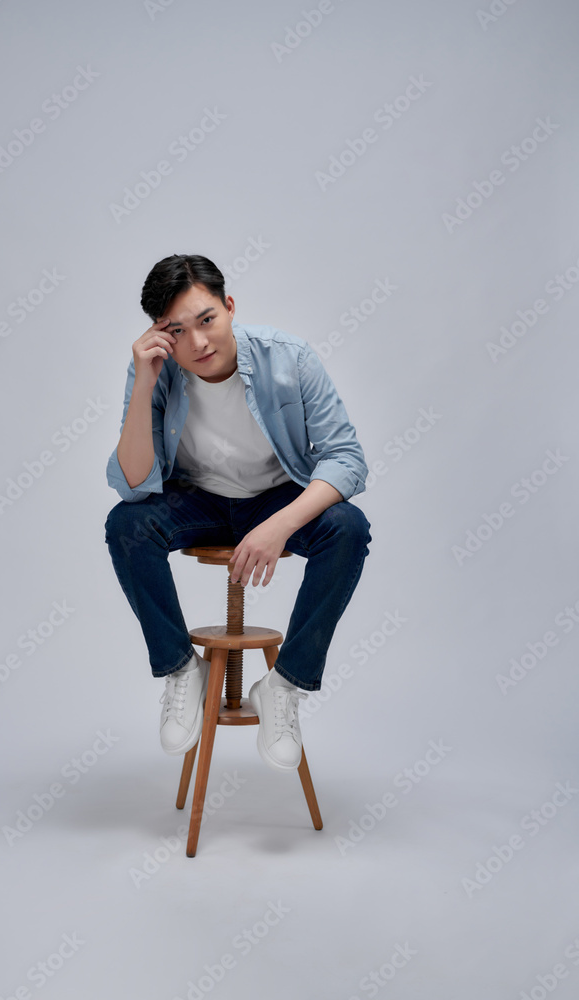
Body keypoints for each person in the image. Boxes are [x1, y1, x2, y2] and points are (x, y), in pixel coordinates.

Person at [104, 253, 372, 772]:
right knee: (126, 526)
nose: (198, 343)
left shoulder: (289, 358)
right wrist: (142, 382)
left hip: (275, 497)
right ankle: (183, 670)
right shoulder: (157, 374)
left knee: (347, 528)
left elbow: (347, 460)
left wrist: (281, 524)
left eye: (207, 320)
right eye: (177, 331)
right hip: (197, 497)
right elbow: (134, 486)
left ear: (229, 306)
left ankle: (285, 684)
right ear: (160, 334)